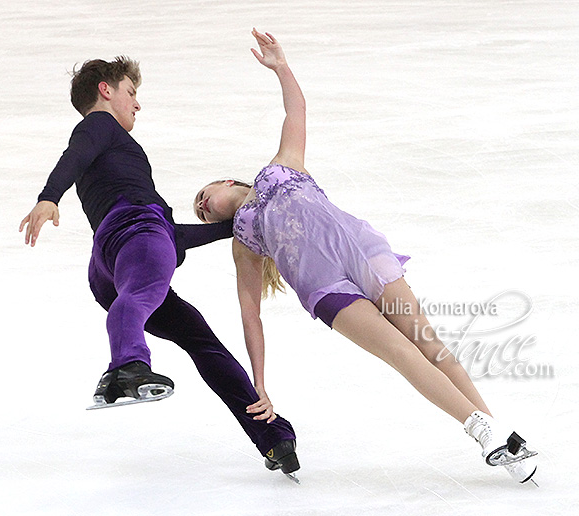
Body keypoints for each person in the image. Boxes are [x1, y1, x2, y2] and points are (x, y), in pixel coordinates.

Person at [194, 29, 538, 484]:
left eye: (202, 194)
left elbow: (295, 109)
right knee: (400, 350)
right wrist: (259, 381)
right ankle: (481, 430)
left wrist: (281, 67)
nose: (200, 205)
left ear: (226, 181)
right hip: (327, 291)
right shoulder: (243, 239)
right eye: (198, 211)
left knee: (429, 344)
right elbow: (250, 313)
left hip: (365, 255)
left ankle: (498, 437)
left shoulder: (282, 166)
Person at [19, 56, 299, 478]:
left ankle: (273, 436)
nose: (136, 104)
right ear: (105, 90)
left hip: (112, 264)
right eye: (131, 93)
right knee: (141, 297)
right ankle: (127, 365)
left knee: (200, 339)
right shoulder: (99, 126)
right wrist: (48, 196)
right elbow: (74, 158)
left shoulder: (114, 154)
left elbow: (172, 236)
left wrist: (232, 227)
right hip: (137, 233)